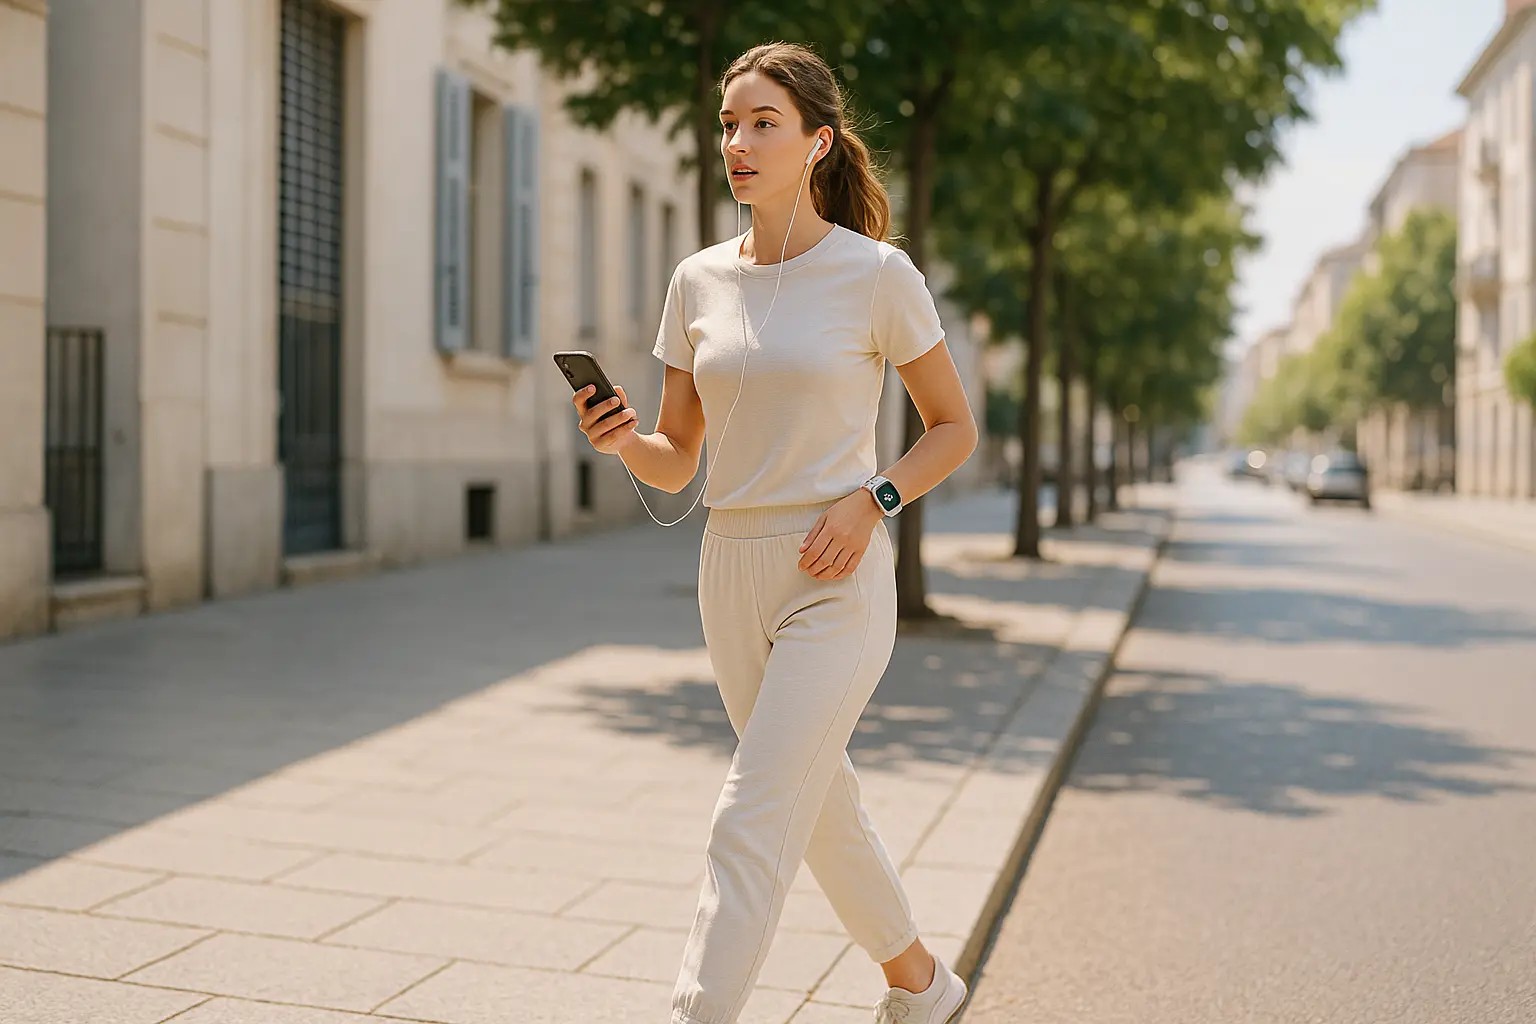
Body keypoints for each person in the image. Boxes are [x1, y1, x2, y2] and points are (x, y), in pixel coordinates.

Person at [569, 41, 978, 1024]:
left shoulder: (877, 274)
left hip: (835, 571)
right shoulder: (697, 281)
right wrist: (624, 439)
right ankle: (922, 983)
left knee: (750, 814)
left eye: (763, 123)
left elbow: (954, 429)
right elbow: (679, 459)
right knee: (816, 800)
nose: (738, 143)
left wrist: (874, 498)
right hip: (731, 567)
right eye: (728, 124)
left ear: (817, 142)